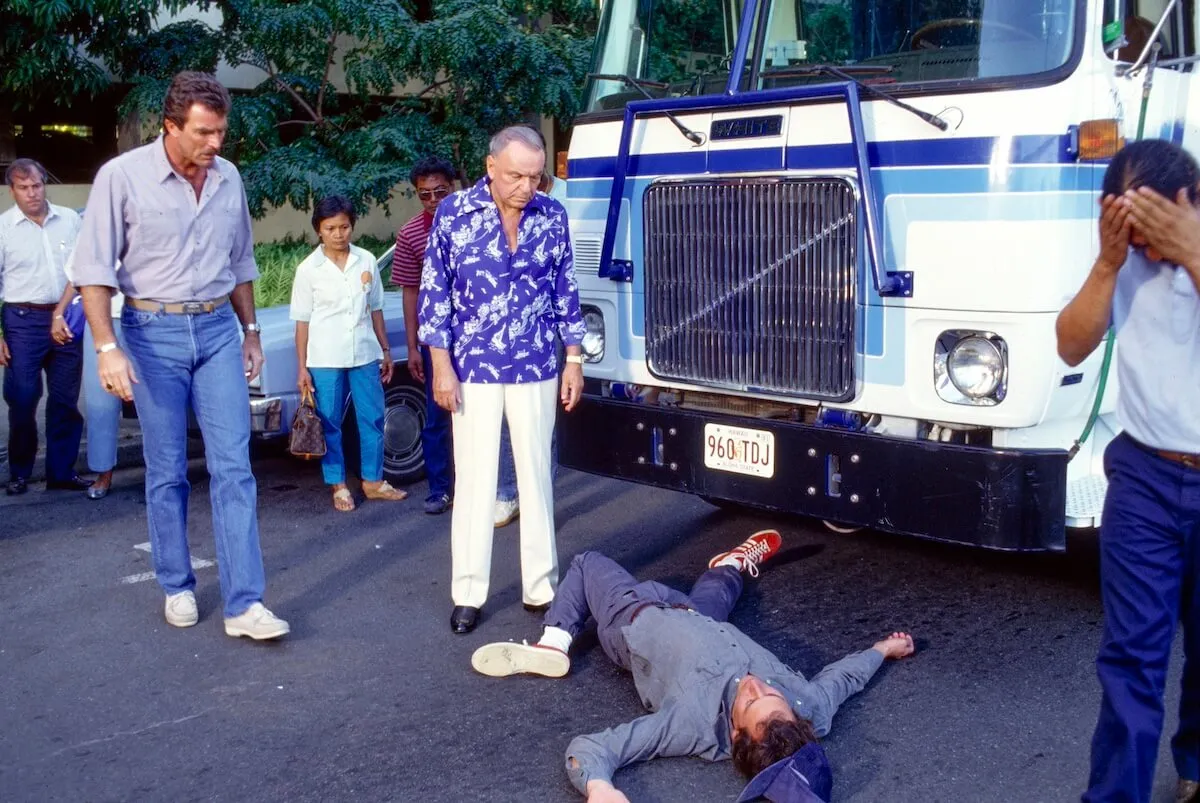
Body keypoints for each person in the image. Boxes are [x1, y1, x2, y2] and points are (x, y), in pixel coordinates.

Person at [71, 71, 288, 640]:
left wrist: (252, 331)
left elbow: (242, 262)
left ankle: (245, 604)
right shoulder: (121, 177)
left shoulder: (228, 178)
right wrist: (106, 348)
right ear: (171, 126)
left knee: (234, 467)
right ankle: (176, 584)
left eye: (221, 132)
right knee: (166, 469)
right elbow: (93, 272)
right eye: (204, 132)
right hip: (150, 331)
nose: (216, 144)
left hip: (218, 328)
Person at [470, 530, 916, 802]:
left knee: (588, 563)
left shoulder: (688, 725)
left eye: (749, 702)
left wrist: (599, 787)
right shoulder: (808, 706)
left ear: (736, 733)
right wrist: (882, 650)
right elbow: (844, 680)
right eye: (772, 696)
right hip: (699, 616)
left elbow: (591, 749)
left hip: (634, 616)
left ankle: (556, 640)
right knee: (723, 584)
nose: (756, 686)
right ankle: (733, 564)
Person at [1056, 139, 1200, 803]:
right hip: (1143, 475)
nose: (1143, 247)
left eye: (1149, 229)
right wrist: (1109, 262)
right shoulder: (1124, 258)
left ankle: (1195, 759)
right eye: (1126, 229)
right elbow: (1071, 339)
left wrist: (1193, 252)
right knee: (1132, 661)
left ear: (1186, 200)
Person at [419, 125, 587, 634]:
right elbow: (435, 294)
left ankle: (541, 588)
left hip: (536, 363)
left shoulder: (551, 215)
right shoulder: (454, 214)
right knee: (475, 481)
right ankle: (468, 592)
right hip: (474, 367)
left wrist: (574, 358)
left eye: (536, 177)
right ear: (490, 167)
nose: (527, 187)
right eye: (516, 175)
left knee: (536, 475)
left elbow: (565, 286)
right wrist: (441, 367)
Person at [291, 195, 408, 511]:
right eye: (330, 228)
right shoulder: (308, 270)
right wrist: (302, 368)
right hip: (324, 358)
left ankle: (373, 481)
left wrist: (385, 350)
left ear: (352, 227)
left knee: (372, 417)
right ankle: (339, 485)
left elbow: (376, 309)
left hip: (364, 354)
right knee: (330, 422)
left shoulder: (366, 260)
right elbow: (301, 323)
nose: (338, 234)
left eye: (344, 227)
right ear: (319, 230)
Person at [0, 158, 89, 496]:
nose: (32, 193)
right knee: (22, 398)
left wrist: (61, 313)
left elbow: (81, 269)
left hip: (66, 316)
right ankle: (20, 472)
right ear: (13, 192)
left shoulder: (69, 220)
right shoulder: (4, 228)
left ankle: (61, 473)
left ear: (44, 185)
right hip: (22, 321)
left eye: (36, 185)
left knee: (65, 400)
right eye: (23, 188)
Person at [392, 157, 456, 515]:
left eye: (440, 192)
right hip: (436, 342)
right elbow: (410, 292)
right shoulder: (411, 233)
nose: (433, 201)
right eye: (425, 195)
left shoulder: (476, 224)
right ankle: (440, 490)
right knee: (436, 416)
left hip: (478, 338)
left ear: (453, 187)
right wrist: (414, 347)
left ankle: (489, 490)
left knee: (483, 416)